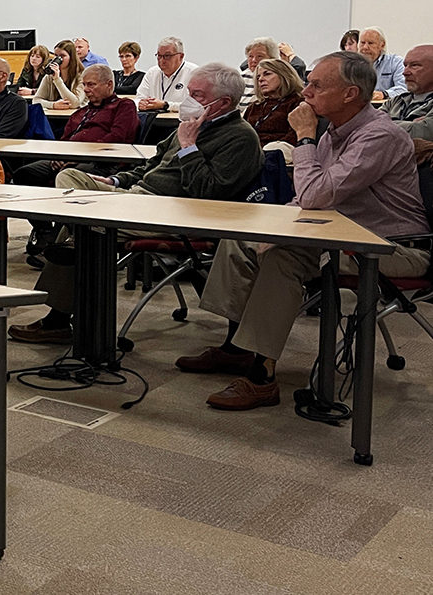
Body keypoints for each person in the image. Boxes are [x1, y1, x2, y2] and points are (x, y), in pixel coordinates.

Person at [177, 52, 430, 410]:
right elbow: (304, 198)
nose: (306, 91)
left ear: (350, 94)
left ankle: (261, 376)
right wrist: (270, 225)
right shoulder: (337, 131)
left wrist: (306, 137)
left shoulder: (379, 136)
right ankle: (237, 345)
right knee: (241, 237)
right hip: (336, 235)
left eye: (316, 85)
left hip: (389, 248)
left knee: (284, 257)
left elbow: (315, 195)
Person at [10, 64, 263, 343]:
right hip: (136, 196)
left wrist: (189, 147)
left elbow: (209, 193)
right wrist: (116, 181)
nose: (189, 100)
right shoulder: (190, 126)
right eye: (189, 92)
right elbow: (150, 168)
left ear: (223, 103)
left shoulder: (240, 137)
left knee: (85, 225)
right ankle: (75, 233)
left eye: (197, 95)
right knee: (70, 178)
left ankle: (60, 315)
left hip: (176, 212)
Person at [12, 65, 139, 188]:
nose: (86, 89)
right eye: (84, 85)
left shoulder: (124, 106)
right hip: (69, 157)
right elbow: (64, 139)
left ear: (109, 85)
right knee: (23, 173)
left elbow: (117, 137)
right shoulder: (81, 112)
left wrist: (79, 156)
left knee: (67, 175)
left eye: (91, 84)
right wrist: (59, 156)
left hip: (102, 161)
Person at [243, 58, 305, 147]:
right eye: (258, 77)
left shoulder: (297, 103)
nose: (260, 79)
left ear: (284, 75)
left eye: (267, 74)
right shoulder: (255, 107)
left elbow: (295, 137)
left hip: (279, 151)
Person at [135, 36, 198, 112]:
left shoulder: (194, 73)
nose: (161, 61)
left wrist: (166, 105)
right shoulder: (152, 73)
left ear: (181, 56)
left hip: (181, 121)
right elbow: (138, 100)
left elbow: (196, 106)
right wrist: (142, 104)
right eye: (159, 56)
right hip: (153, 121)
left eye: (167, 56)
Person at [388, 45, 433, 140]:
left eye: (414, 65)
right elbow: (365, 124)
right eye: (405, 66)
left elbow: (423, 132)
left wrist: (382, 123)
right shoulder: (396, 101)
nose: (405, 72)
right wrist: (411, 124)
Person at [357, 27, 406, 101]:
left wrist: (384, 94)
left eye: (370, 43)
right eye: (362, 43)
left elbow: (404, 88)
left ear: (382, 45)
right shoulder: (351, 64)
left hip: (386, 108)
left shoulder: (395, 62)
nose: (365, 47)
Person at [34, 39, 82, 110]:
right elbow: (36, 100)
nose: (58, 59)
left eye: (62, 56)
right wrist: (53, 105)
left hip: (76, 118)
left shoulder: (82, 76)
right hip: (54, 117)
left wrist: (57, 80)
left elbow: (74, 103)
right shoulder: (49, 77)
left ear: (71, 57)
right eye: (56, 56)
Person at [238, 37, 279, 105]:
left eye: (260, 56)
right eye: (250, 56)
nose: (254, 60)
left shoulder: (278, 78)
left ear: (272, 58)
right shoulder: (240, 78)